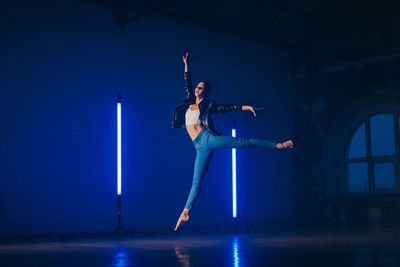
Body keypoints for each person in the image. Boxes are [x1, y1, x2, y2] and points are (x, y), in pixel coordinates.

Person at [172, 52, 293, 231]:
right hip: (199, 147)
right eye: (197, 87)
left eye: (202, 87)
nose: (198, 89)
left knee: (242, 143)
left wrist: (246, 107)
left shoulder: (209, 104)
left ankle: (278, 145)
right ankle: (186, 212)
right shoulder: (190, 100)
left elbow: (227, 107)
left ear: (206, 91)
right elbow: (187, 82)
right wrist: (186, 64)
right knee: (196, 182)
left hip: (209, 139)